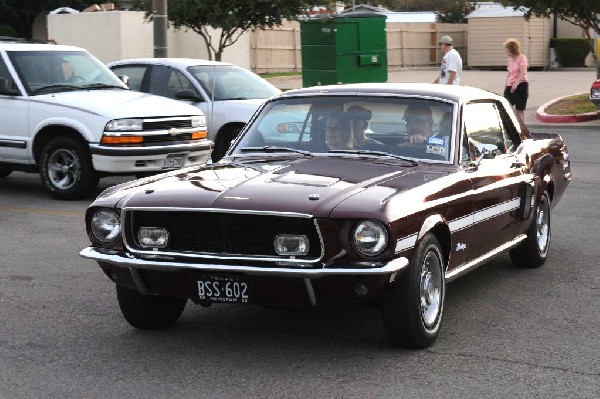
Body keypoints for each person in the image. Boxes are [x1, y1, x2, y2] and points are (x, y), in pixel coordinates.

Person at [503, 38, 529, 121]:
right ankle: (511, 127)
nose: (506, 52)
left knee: (520, 109)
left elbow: (523, 73)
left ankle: (521, 131)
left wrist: (516, 84)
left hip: (521, 85)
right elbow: (509, 73)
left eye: (506, 50)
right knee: (506, 107)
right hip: (510, 85)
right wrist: (506, 85)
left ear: (511, 50)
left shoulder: (522, 58)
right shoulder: (510, 59)